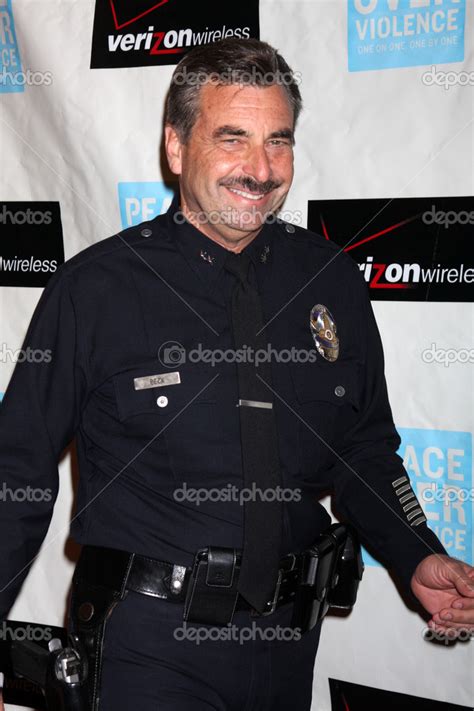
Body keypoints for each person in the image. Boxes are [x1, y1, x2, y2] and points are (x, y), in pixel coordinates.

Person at [0, 38, 473, 711]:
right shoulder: (94, 289)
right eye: (233, 139)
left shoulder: (331, 279)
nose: (260, 169)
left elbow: (364, 450)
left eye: (278, 141)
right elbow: (15, 471)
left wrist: (416, 552)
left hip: (288, 647)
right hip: (146, 648)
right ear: (176, 146)